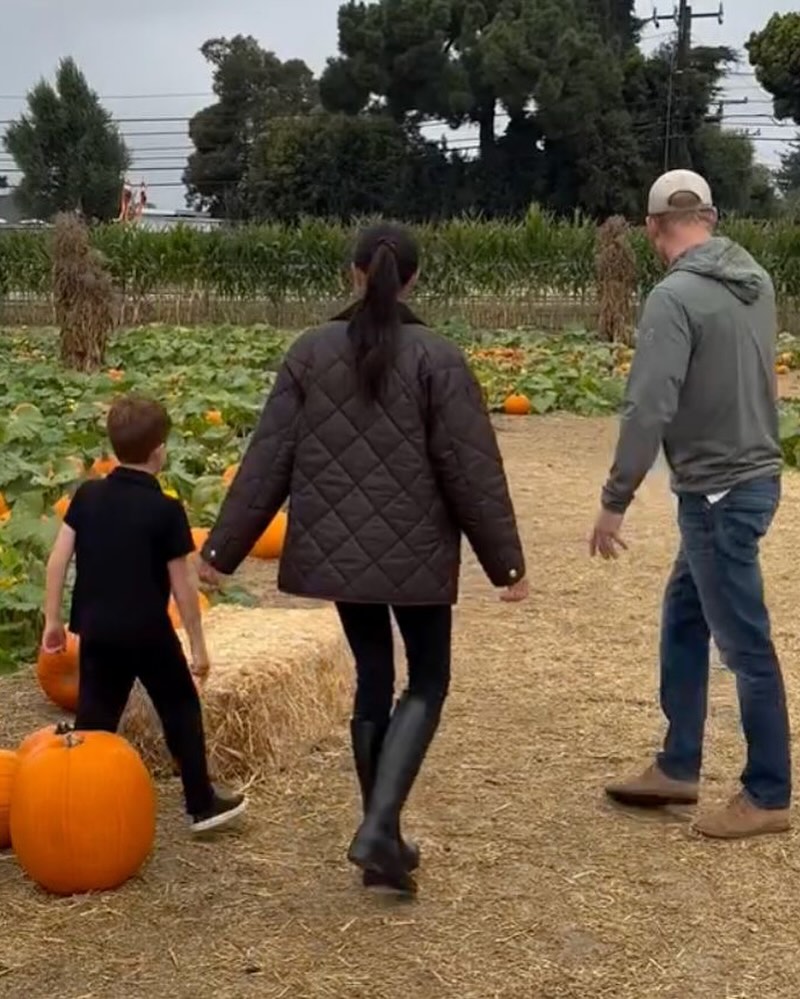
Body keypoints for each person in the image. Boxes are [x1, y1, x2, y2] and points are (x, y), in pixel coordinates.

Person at [198, 222, 528, 892]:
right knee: (428, 680)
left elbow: (267, 461)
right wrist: (507, 564)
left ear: (352, 273)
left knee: (374, 674)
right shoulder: (439, 357)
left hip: (340, 550)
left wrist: (221, 551)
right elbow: (471, 469)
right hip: (418, 552)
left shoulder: (310, 352)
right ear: (412, 279)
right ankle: (380, 829)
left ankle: (384, 836)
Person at [590, 170, 790, 839]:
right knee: (684, 614)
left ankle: (768, 792)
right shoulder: (756, 280)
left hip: (716, 490)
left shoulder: (674, 296)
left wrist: (615, 499)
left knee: (745, 644)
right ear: (711, 216)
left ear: (652, 228)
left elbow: (649, 403)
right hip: (755, 472)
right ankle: (678, 763)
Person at [42, 395, 246, 834]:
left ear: (114, 448)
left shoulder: (88, 495)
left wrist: (52, 621)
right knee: (180, 708)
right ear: (160, 451)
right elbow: (184, 588)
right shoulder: (166, 510)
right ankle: (201, 803)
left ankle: (76, 807)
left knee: (95, 722)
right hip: (148, 633)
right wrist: (197, 646)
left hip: (95, 629)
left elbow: (57, 560)